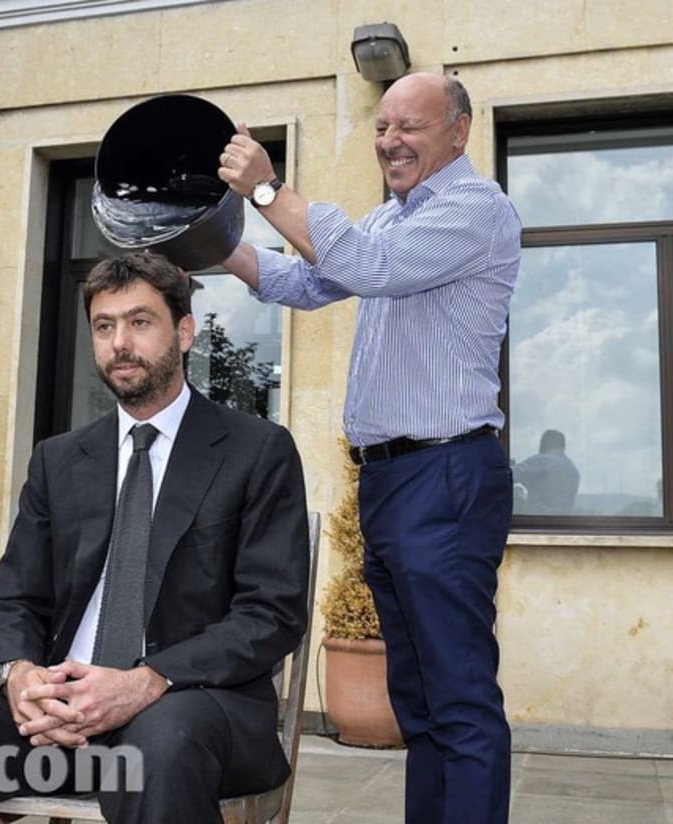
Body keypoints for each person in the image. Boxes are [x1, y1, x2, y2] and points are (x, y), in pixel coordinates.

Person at [0, 251, 310, 823]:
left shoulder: (255, 450)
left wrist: (145, 682)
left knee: (156, 750)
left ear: (184, 332)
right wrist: (20, 677)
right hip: (49, 727)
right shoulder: (60, 460)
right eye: (104, 325)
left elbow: (271, 612)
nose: (120, 342)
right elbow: (14, 601)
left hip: (185, 711)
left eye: (140, 322)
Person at [217, 72, 521, 824]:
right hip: (392, 484)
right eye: (383, 127)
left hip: (446, 476)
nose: (390, 141)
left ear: (459, 130)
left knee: (460, 698)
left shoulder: (475, 210)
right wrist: (217, 239)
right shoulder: (392, 219)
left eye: (409, 127)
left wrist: (267, 192)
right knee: (418, 705)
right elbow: (305, 278)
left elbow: (365, 267)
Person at [513, 429, 580, 515]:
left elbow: (507, 475)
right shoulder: (572, 469)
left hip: (538, 522)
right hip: (563, 524)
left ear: (545, 443)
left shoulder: (543, 461)